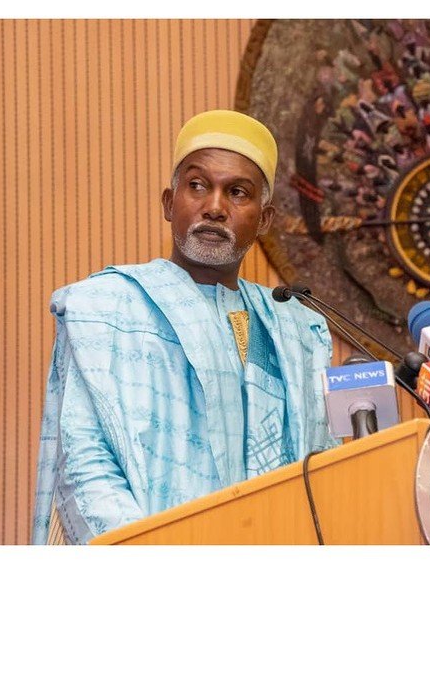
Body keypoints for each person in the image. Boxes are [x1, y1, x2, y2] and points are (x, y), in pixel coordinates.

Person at [32, 109, 336, 544]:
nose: (214, 207)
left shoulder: (296, 329)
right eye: (197, 185)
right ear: (168, 203)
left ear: (264, 220)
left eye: (237, 192)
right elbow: (85, 463)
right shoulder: (107, 308)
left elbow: (321, 466)